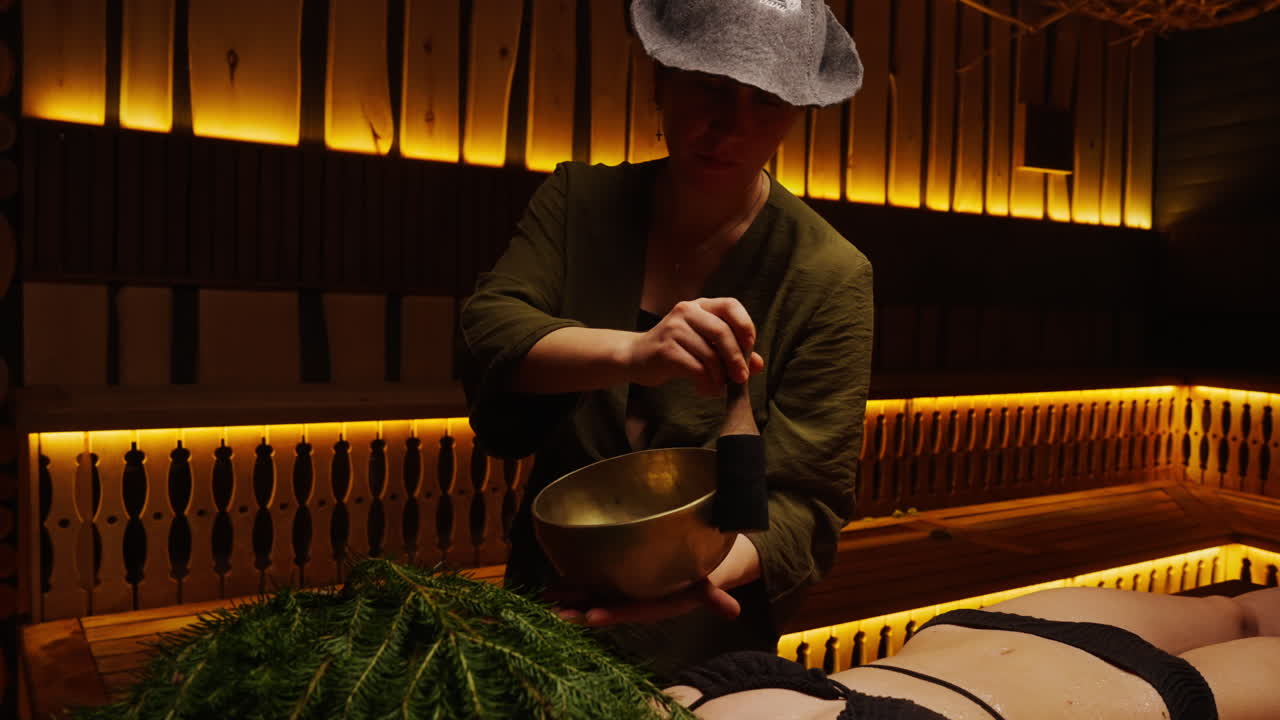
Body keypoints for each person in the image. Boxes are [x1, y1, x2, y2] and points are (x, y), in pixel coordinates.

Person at [459, 0, 871, 679]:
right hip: (545, 608)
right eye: (709, 87)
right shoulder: (579, 201)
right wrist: (634, 353)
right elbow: (490, 332)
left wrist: (686, 573)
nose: (729, 127)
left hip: (706, 631)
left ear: (798, 114)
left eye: (765, 102)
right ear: (661, 78)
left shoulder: (829, 273)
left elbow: (810, 502)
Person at [664, 584, 1280, 719]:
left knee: (1244, 608)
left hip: (986, 634)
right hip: (1135, 693)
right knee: (1245, 612)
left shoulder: (674, 705)